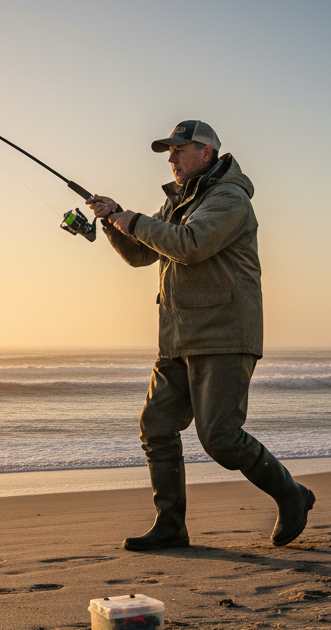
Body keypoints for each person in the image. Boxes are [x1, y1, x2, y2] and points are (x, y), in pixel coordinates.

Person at [87, 120, 315, 551]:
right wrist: (113, 219)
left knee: (221, 439)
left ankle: (292, 495)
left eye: (179, 149)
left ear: (207, 153)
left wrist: (131, 218)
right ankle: (170, 526)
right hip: (177, 335)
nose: (171, 158)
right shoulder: (176, 203)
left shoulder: (229, 199)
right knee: (155, 427)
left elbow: (189, 245)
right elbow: (140, 254)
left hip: (224, 334)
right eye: (169, 152)